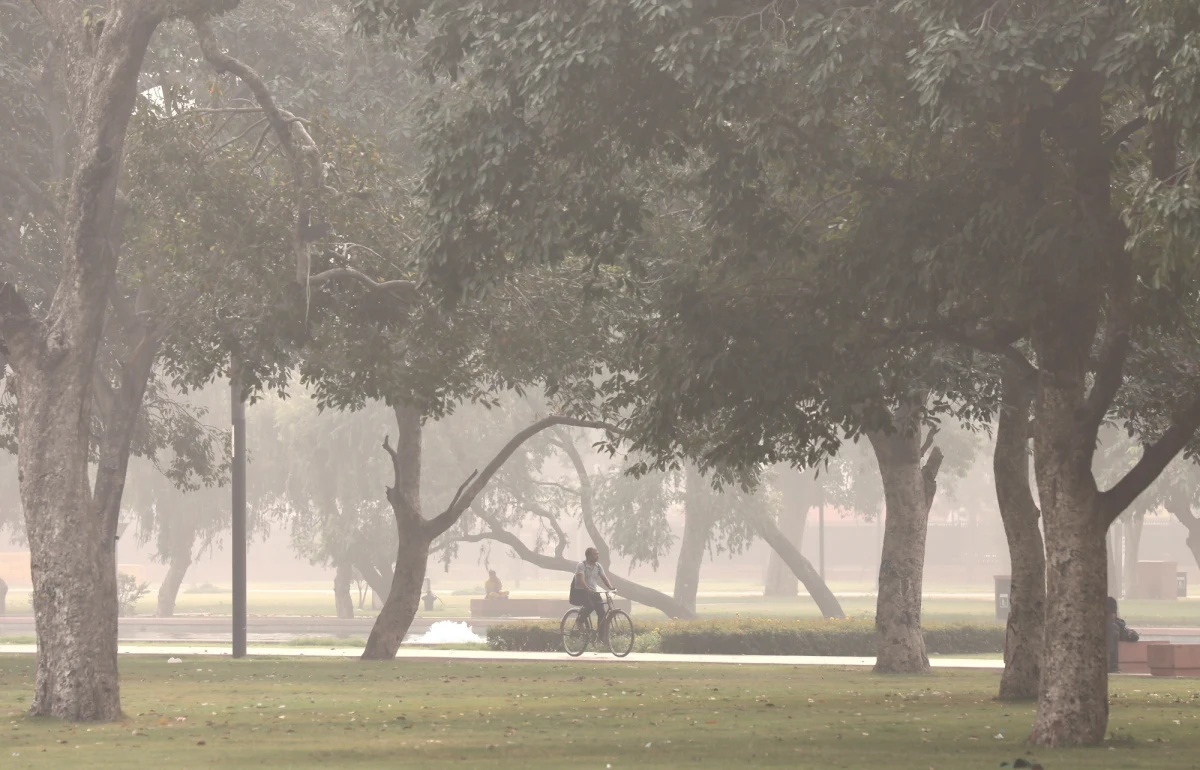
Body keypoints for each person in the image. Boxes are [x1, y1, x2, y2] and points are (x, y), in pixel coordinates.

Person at [574, 547, 616, 634]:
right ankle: (579, 621)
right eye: (595, 554)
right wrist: (587, 589)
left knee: (602, 613)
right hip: (582, 591)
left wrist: (611, 587)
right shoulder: (581, 565)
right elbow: (581, 580)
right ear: (588, 556)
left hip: (593, 592)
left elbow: (604, 578)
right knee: (590, 606)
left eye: (598, 554)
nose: (597, 556)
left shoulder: (598, 566)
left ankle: (601, 637)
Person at [1107, 596, 1140, 673]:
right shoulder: (1114, 626)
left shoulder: (1117, 625)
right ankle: (1113, 665)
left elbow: (1133, 636)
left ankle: (1113, 665)